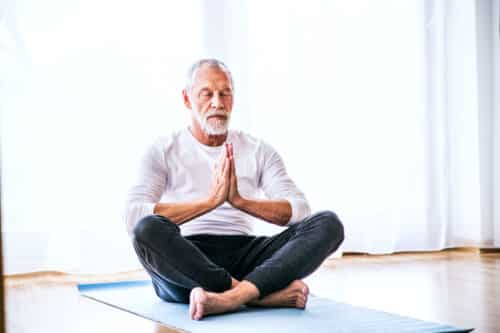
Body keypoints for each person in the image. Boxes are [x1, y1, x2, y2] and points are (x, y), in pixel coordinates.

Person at [124, 58, 344, 321]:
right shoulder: (163, 149)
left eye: (225, 93)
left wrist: (239, 201)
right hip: (187, 259)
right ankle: (258, 294)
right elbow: (134, 215)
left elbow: (299, 210)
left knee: (328, 224)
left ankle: (231, 297)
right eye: (206, 94)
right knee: (146, 230)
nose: (217, 103)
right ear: (186, 99)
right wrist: (209, 202)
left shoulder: (257, 149)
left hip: (246, 253)